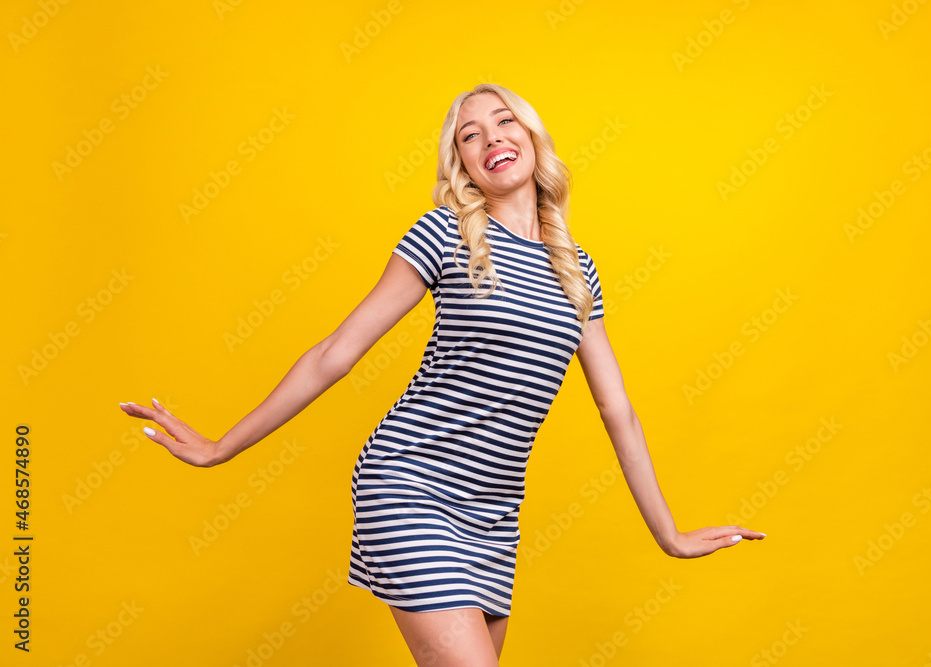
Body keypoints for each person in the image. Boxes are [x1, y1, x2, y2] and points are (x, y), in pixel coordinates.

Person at [120, 83, 766, 666]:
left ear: (533, 140)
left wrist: (669, 535)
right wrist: (219, 446)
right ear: (462, 164)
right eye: (470, 134)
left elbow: (616, 408)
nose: (491, 139)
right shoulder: (443, 235)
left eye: (504, 121)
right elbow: (336, 352)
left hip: (493, 516)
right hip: (409, 484)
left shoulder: (577, 270)